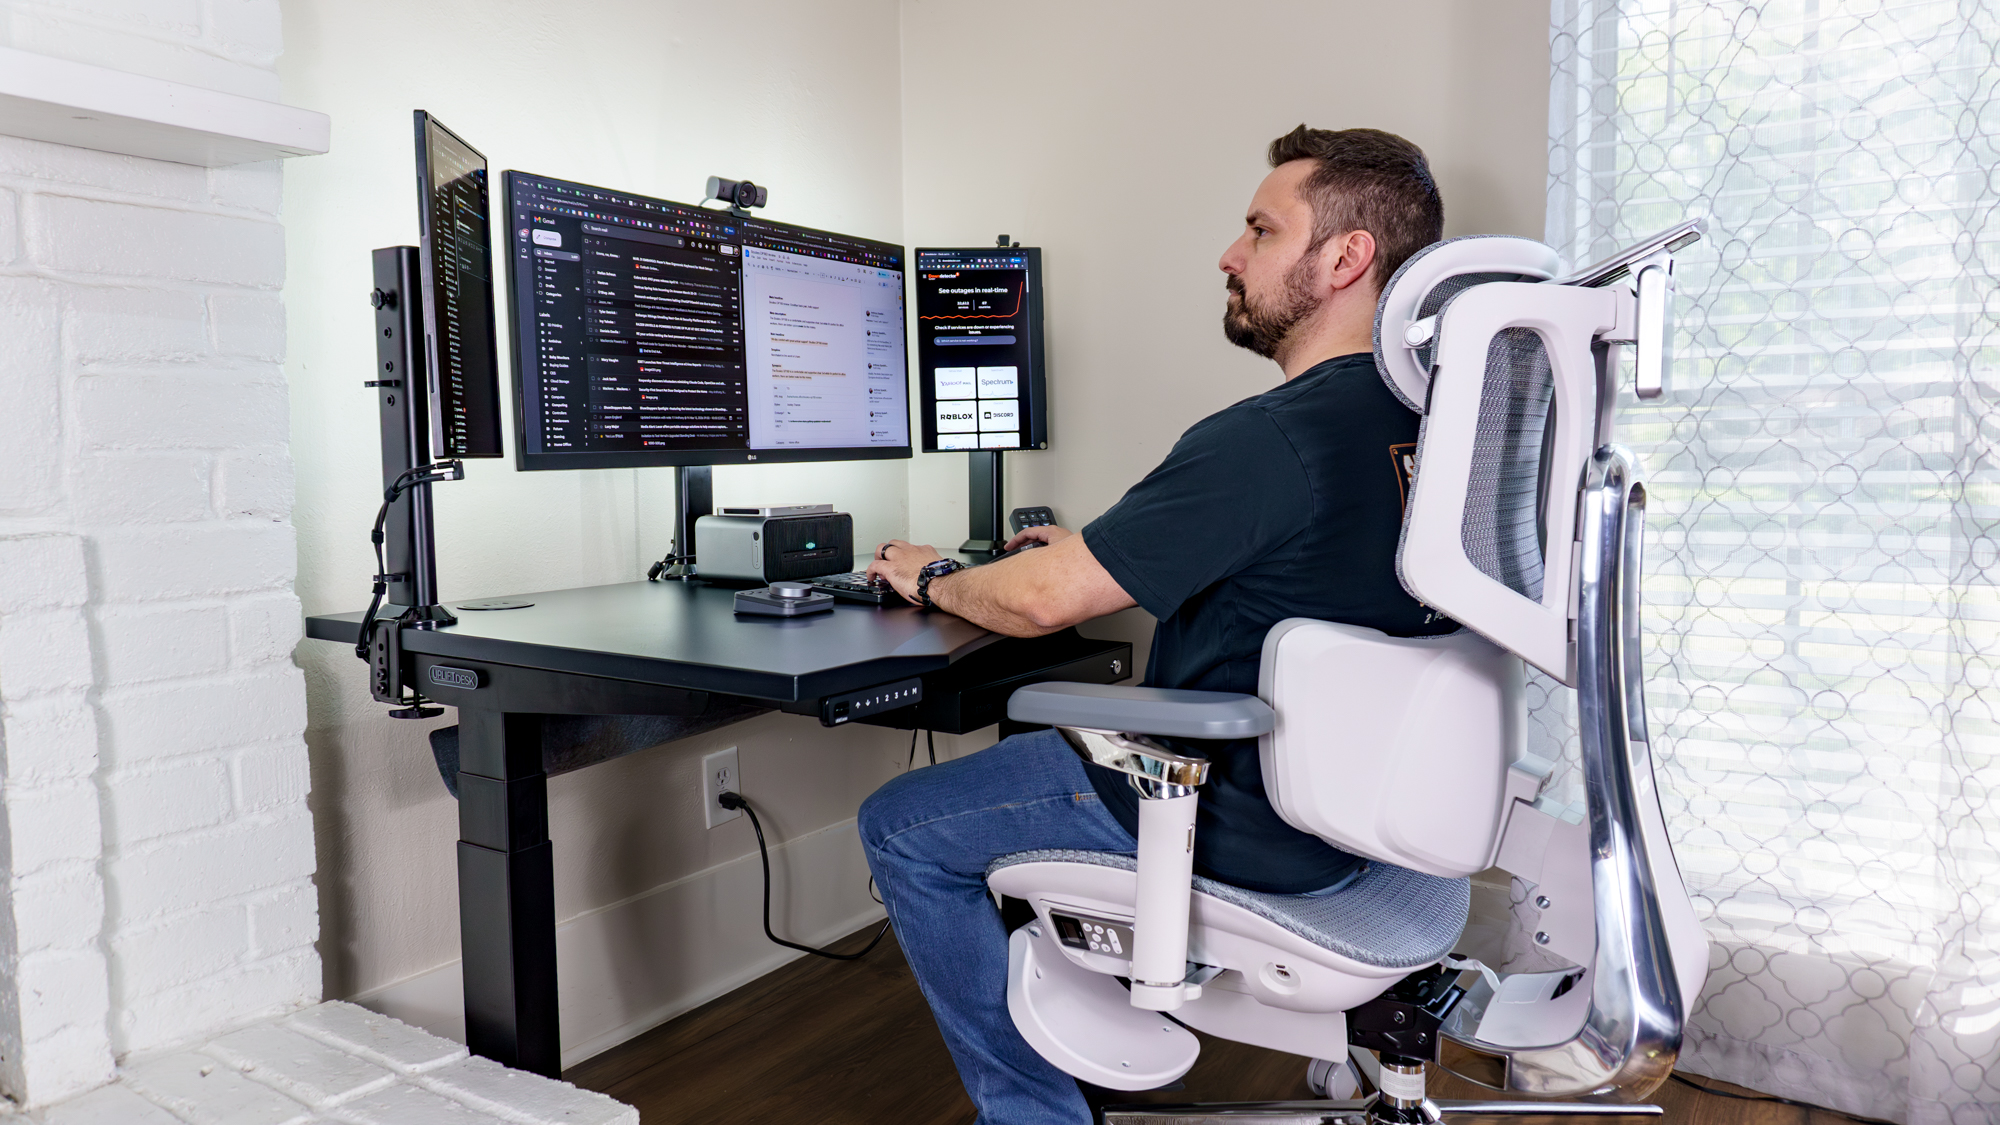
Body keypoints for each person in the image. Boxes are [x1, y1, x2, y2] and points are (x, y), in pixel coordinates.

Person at [859, 125, 1455, 1125]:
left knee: (901, 823)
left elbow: (1041, 604)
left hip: (1229, 811)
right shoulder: (1419, 423)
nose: (1230, 254)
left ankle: (1031, 1115)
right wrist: (1095, 555)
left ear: (1346, 258)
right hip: (1359, 813)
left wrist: (935, 576)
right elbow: (1298, 576)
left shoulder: (1271, 437)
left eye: (1260, 230)